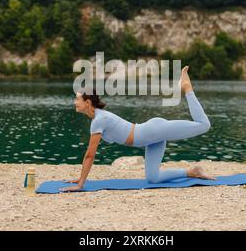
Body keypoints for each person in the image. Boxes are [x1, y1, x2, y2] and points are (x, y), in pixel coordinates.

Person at [60, 66, 215, 192]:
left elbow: (89, 156)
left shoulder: (99, 120)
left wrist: (81, 183)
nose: (74, 102)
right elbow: (90, 155)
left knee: (204, 125)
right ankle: (192, 172)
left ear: (87, 102)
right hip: (151, 139)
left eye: (77, 99)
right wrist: (80, 178)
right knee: (153, 178)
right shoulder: (98, 118)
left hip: (154, 131)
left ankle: (187, 88)